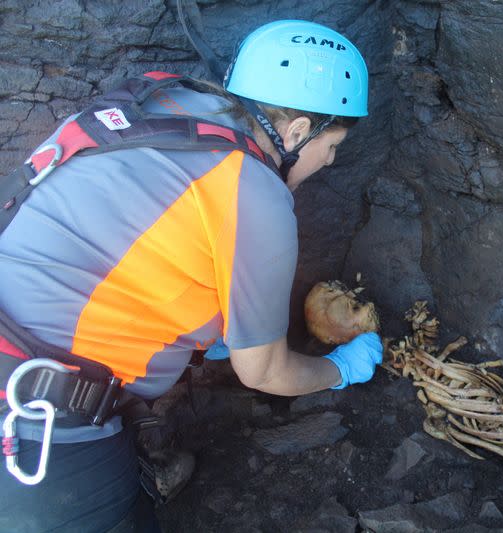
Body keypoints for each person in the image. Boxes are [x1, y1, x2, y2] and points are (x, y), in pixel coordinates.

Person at [0, 19, 382, 532]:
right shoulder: (254, 192)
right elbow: (264, 372)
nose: (329, 161)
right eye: (330, 146)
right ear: (297, 132)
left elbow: (130, 241)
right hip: (35, 423)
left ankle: (135, 460)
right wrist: (341, 368)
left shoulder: (157, 99)